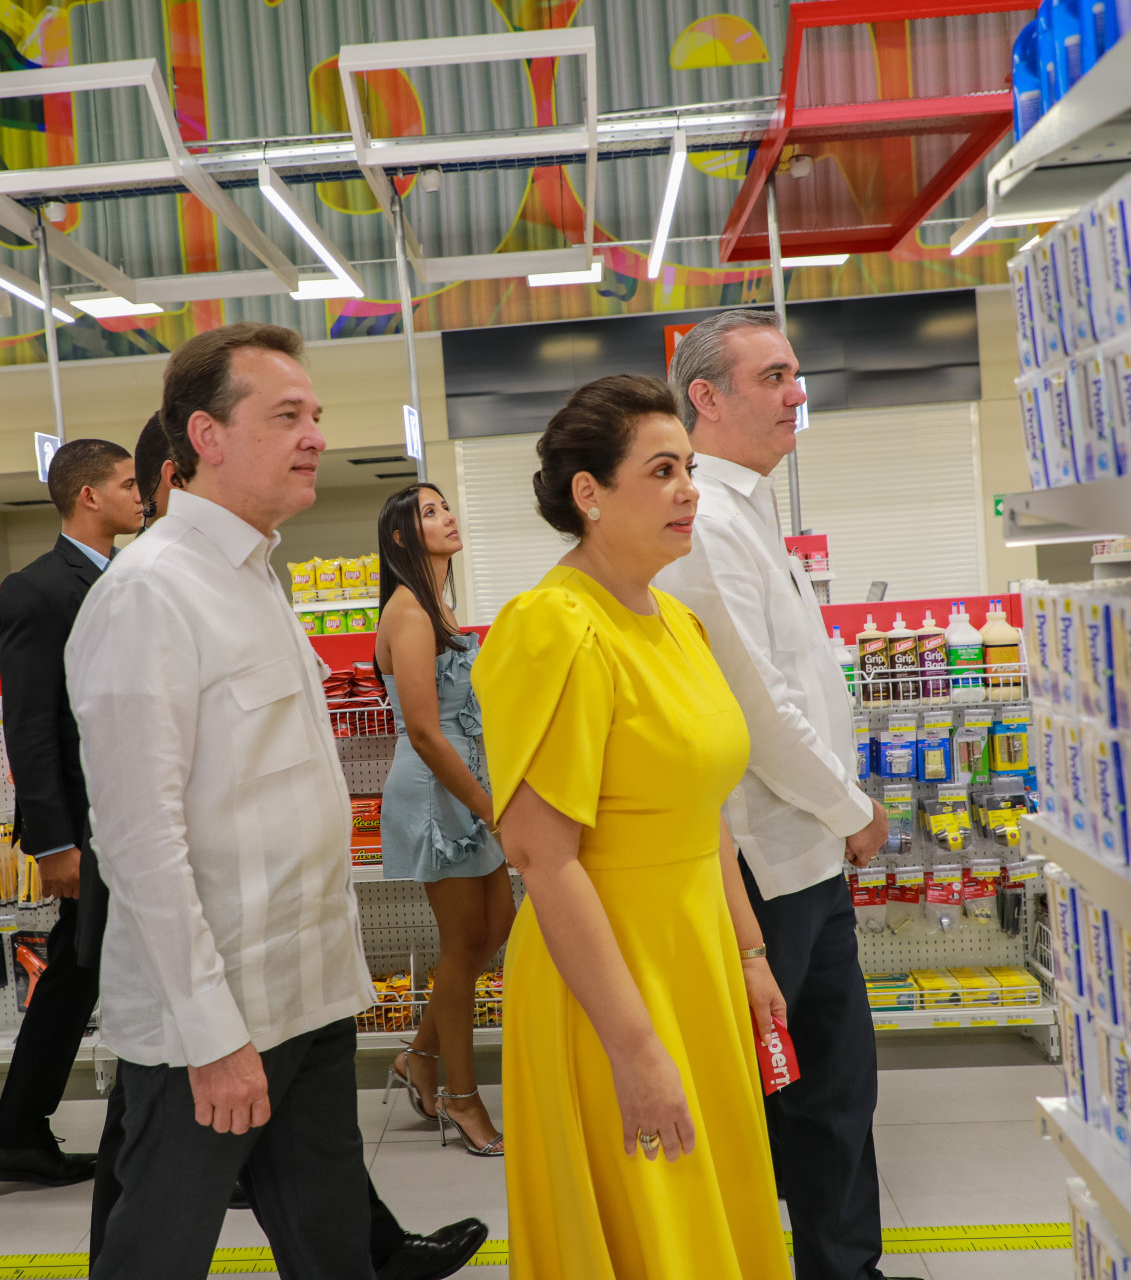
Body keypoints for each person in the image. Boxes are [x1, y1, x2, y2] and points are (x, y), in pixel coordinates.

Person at [71, 324, 485, 1280]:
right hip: (213, 1023)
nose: (315, 436)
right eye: (288, 415)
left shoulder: (258, 578)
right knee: (157, 1255)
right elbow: (139, 841)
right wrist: (213, 1036)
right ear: (206, 436)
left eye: (316, 415)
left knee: (333, 1246)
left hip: (308, 995)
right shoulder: (150, 594)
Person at [473, 374, 790, 1280]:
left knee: (712, 1209)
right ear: (590, 493)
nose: (689, 490)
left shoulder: (677, 622)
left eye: (689, 468)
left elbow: (706, 810)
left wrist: (750, 953)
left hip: (696, 960)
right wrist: (635, 1047)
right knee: (651, 1221)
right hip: (609, 982)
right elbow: (541, 856)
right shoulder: (554, 627)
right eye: (661, 471)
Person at [656, 309, 903, 1280]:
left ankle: (847, 1268)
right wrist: (853, 807)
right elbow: (757, 708)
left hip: (812, 858)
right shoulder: (706, 524)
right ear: (706, 398)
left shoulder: (751, 512)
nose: (798, 392)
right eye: (774, 376)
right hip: (764, 868)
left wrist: (839, 810)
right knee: (767, 1099)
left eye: (797, 374)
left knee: (836, 1091)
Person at [0, 439, 146, 1186]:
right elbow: (31, 726)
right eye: (127, 484)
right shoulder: (38, 590)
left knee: (80, 970)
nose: (141, 495)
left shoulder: (129, 575)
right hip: (85, 824)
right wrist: (53, 842)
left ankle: (18, 1133)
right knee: (86, 968)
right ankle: (24, 1133)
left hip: (129, 812)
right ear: (88, 496)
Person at [373, 483, 511, 1157]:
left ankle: (420, 1057)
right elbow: (426, 733)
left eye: (446, 505)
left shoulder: (439, 606)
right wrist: (488, 807)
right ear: (402, 537)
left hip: (468, 782)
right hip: (436, 792)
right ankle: (462, 1097)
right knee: (462, 946)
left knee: (497, 926)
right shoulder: (409, 613)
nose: (448, 516)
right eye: (430, 513)